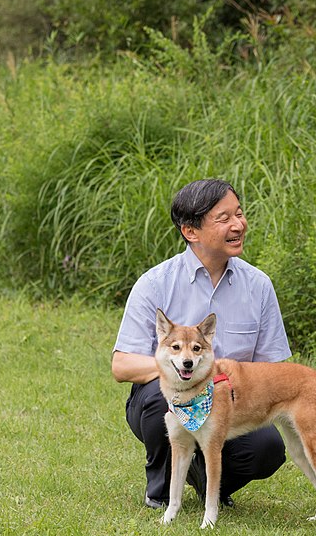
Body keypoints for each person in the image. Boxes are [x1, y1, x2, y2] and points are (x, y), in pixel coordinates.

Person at [112, 178, 291, 509]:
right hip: (165, 395)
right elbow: (121, 365)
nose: (238, 225)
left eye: (239, 214)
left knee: (267, 448)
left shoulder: (259, 286)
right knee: (161, 398)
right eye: (224, 218)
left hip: (231, 401)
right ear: (190, 231)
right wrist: (184, 367)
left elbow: (272, 370)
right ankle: (161, 489)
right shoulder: (155, 284)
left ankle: (207, 480)